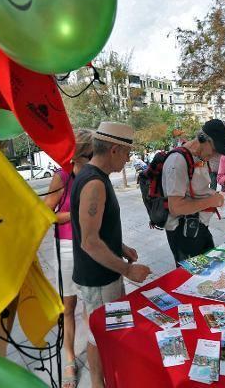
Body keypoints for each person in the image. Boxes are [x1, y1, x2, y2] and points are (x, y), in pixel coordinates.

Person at [71, 122, 152, 388]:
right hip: (99, 277)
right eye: (127, 153)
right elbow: (90, 242)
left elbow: (99, 230)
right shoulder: (94, 182)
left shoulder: (95, 176)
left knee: (103, 333)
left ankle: (105, 380)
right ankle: (99, 383)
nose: (129, 160)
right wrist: (127, 270)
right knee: (101, 335)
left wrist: (120, 246)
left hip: (102, 274)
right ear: (115, 149)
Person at [43, 129, 94, 388]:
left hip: (90, 246)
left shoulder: (93, 175)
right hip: (66, 247)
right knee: (69, 308)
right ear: (80, 155)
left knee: (91, 305)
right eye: (92, 155)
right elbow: (47, 214)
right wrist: (77, 214)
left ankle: (96, 354)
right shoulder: (62, 175)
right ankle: (70, 359)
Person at [162, 119, 225, 263]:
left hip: (198, 227)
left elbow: (197, 189)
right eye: (215, 149)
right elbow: (176, 208)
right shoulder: (177, 161)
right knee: (192, 279)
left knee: (211, 269)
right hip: (183, 232)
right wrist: (211, 201)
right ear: (203, 138)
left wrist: (217, 197)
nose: (215, 155)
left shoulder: (198, 156)